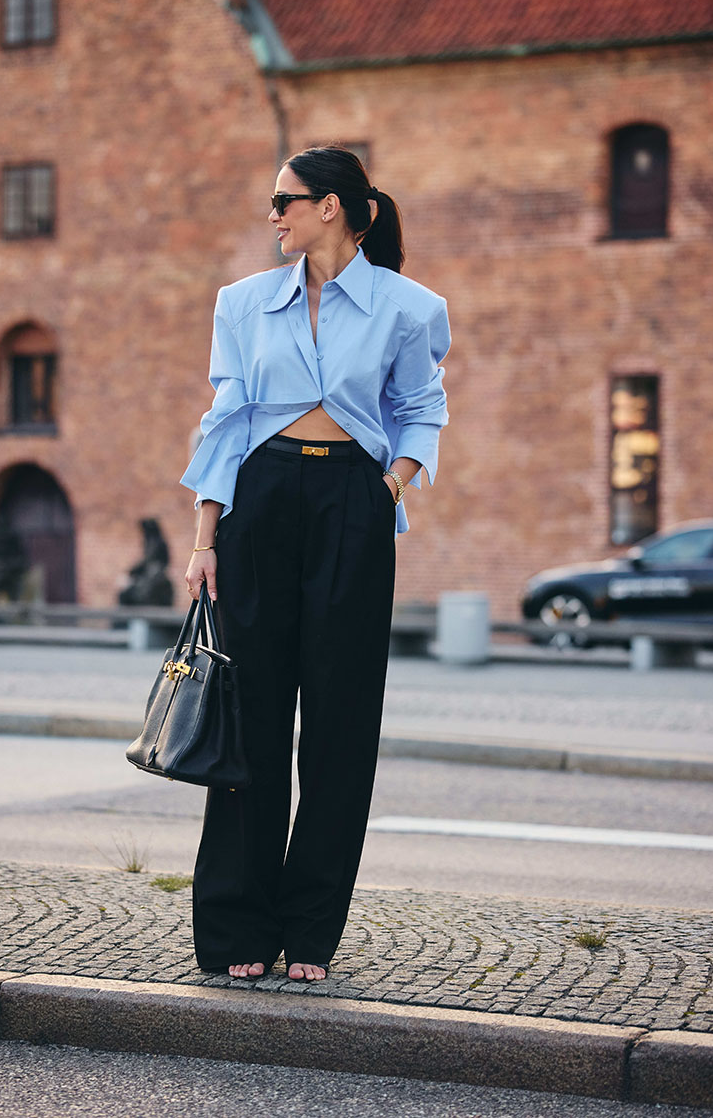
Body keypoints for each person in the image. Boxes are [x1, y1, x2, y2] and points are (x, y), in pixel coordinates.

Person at [180, 145, 450, 982]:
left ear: (330, 206)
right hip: (259, 504)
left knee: (338, 725)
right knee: (249, 719)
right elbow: (224, 420)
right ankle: (238, 931)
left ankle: (310, 931)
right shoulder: (244, 302)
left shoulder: (410, 307)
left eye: (284, 201)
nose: (274, 215)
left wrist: (391, 488)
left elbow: (421, 407)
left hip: (353, 509)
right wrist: (202, 538)